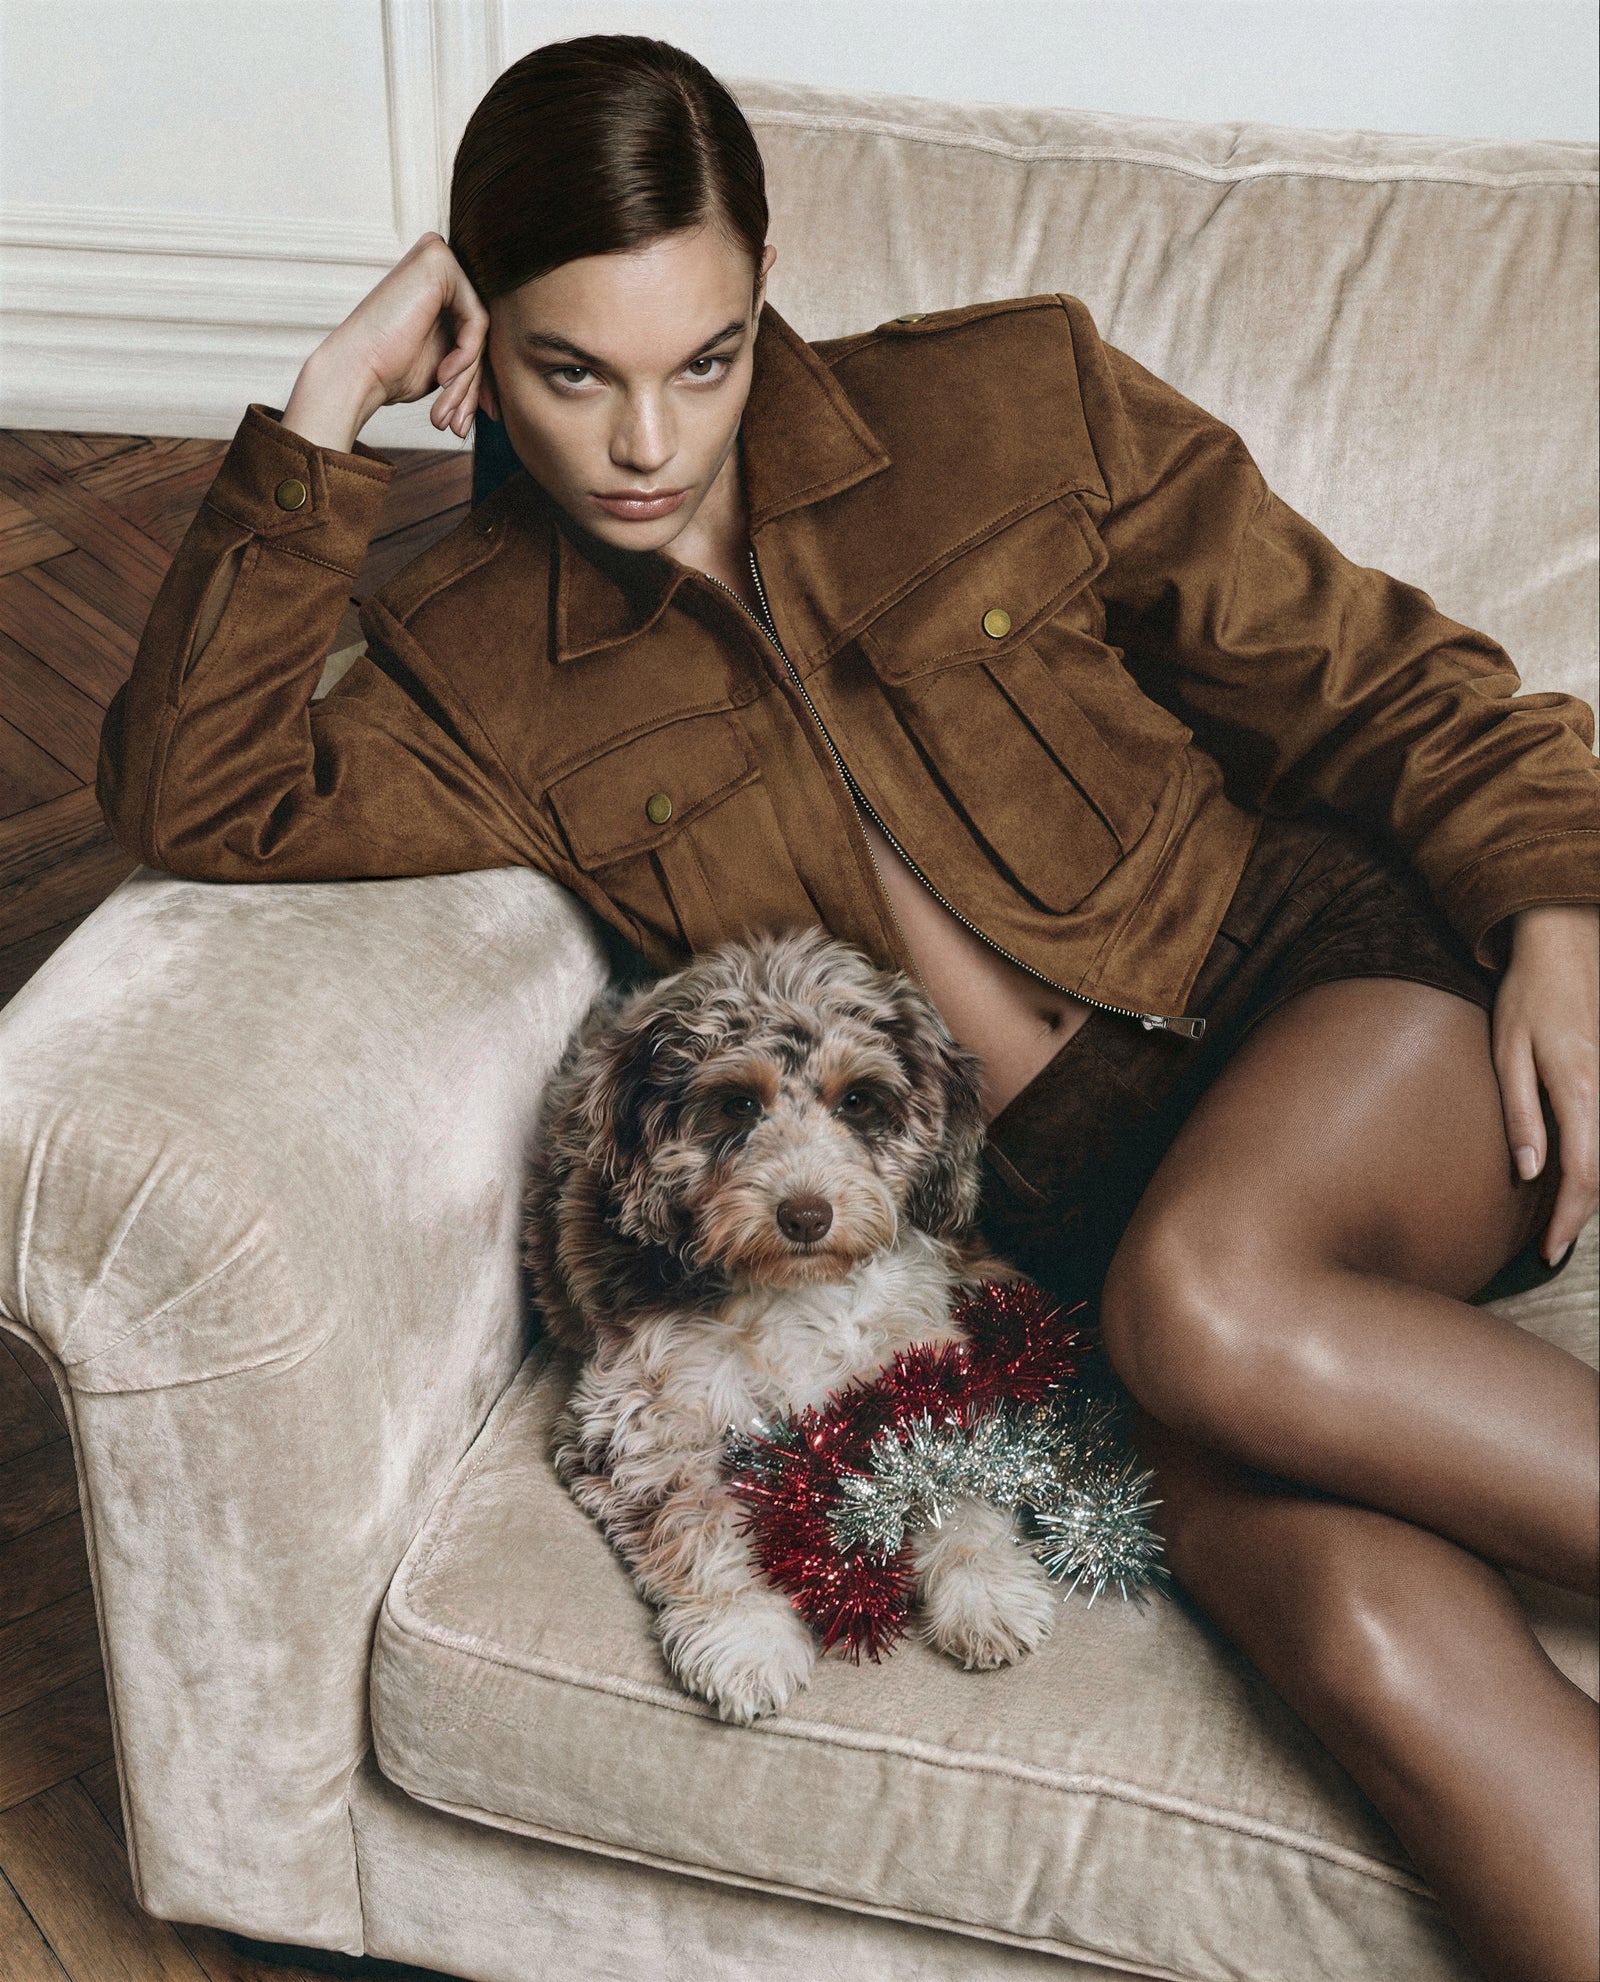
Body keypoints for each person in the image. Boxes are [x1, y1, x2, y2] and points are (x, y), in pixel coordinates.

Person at [96, 34, 1598, 1982]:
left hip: (1328, 1010)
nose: (648, 443)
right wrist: (323, 409)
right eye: (573, 373)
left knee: (1203, 1299)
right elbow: (196, 793)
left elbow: (1375, 677)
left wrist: (1555, 900)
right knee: (1342, 1611)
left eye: (701, 360)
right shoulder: (473, 659)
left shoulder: (1006, 399)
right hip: (1082, 1250)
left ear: (761, 301)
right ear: (485, 344)